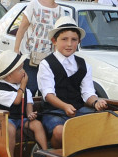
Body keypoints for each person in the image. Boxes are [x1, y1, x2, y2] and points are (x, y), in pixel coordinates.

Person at [37, 16, 108, 149]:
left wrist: (96, 102)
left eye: (74, 40)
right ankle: (56, 155)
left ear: (78, 41)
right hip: (54, 111)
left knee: (102, 124)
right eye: (64, 39)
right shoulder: (46, 64)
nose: (69, 44)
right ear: (54, 41)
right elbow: (48, 94)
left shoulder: (84, 65)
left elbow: (88, 93)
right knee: (60, 132)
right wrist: (64, 106)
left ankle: (88, 156)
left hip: (78, 109)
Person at [0, 50, 49, 157]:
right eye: (20, 70)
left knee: (37, 124)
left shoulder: (24, 89)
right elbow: (17, 100)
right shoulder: (1, 90)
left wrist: (30, 114)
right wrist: (23, 85)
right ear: (8, 76)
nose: (24, 72)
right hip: (8, 119)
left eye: (23, 68)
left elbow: (28, 105)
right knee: (10, 129)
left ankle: (45, 153)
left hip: (22, 119)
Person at [14, 0, 62, 96]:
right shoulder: (33, 5)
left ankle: (40, 111)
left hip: (48, 59)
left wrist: (58, 57)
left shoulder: (60, 10)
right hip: (29, 55)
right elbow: (22, 28)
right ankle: (25, 111)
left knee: (45, 91)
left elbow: (59, 37)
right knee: (30, 88)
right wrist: (16, 50)